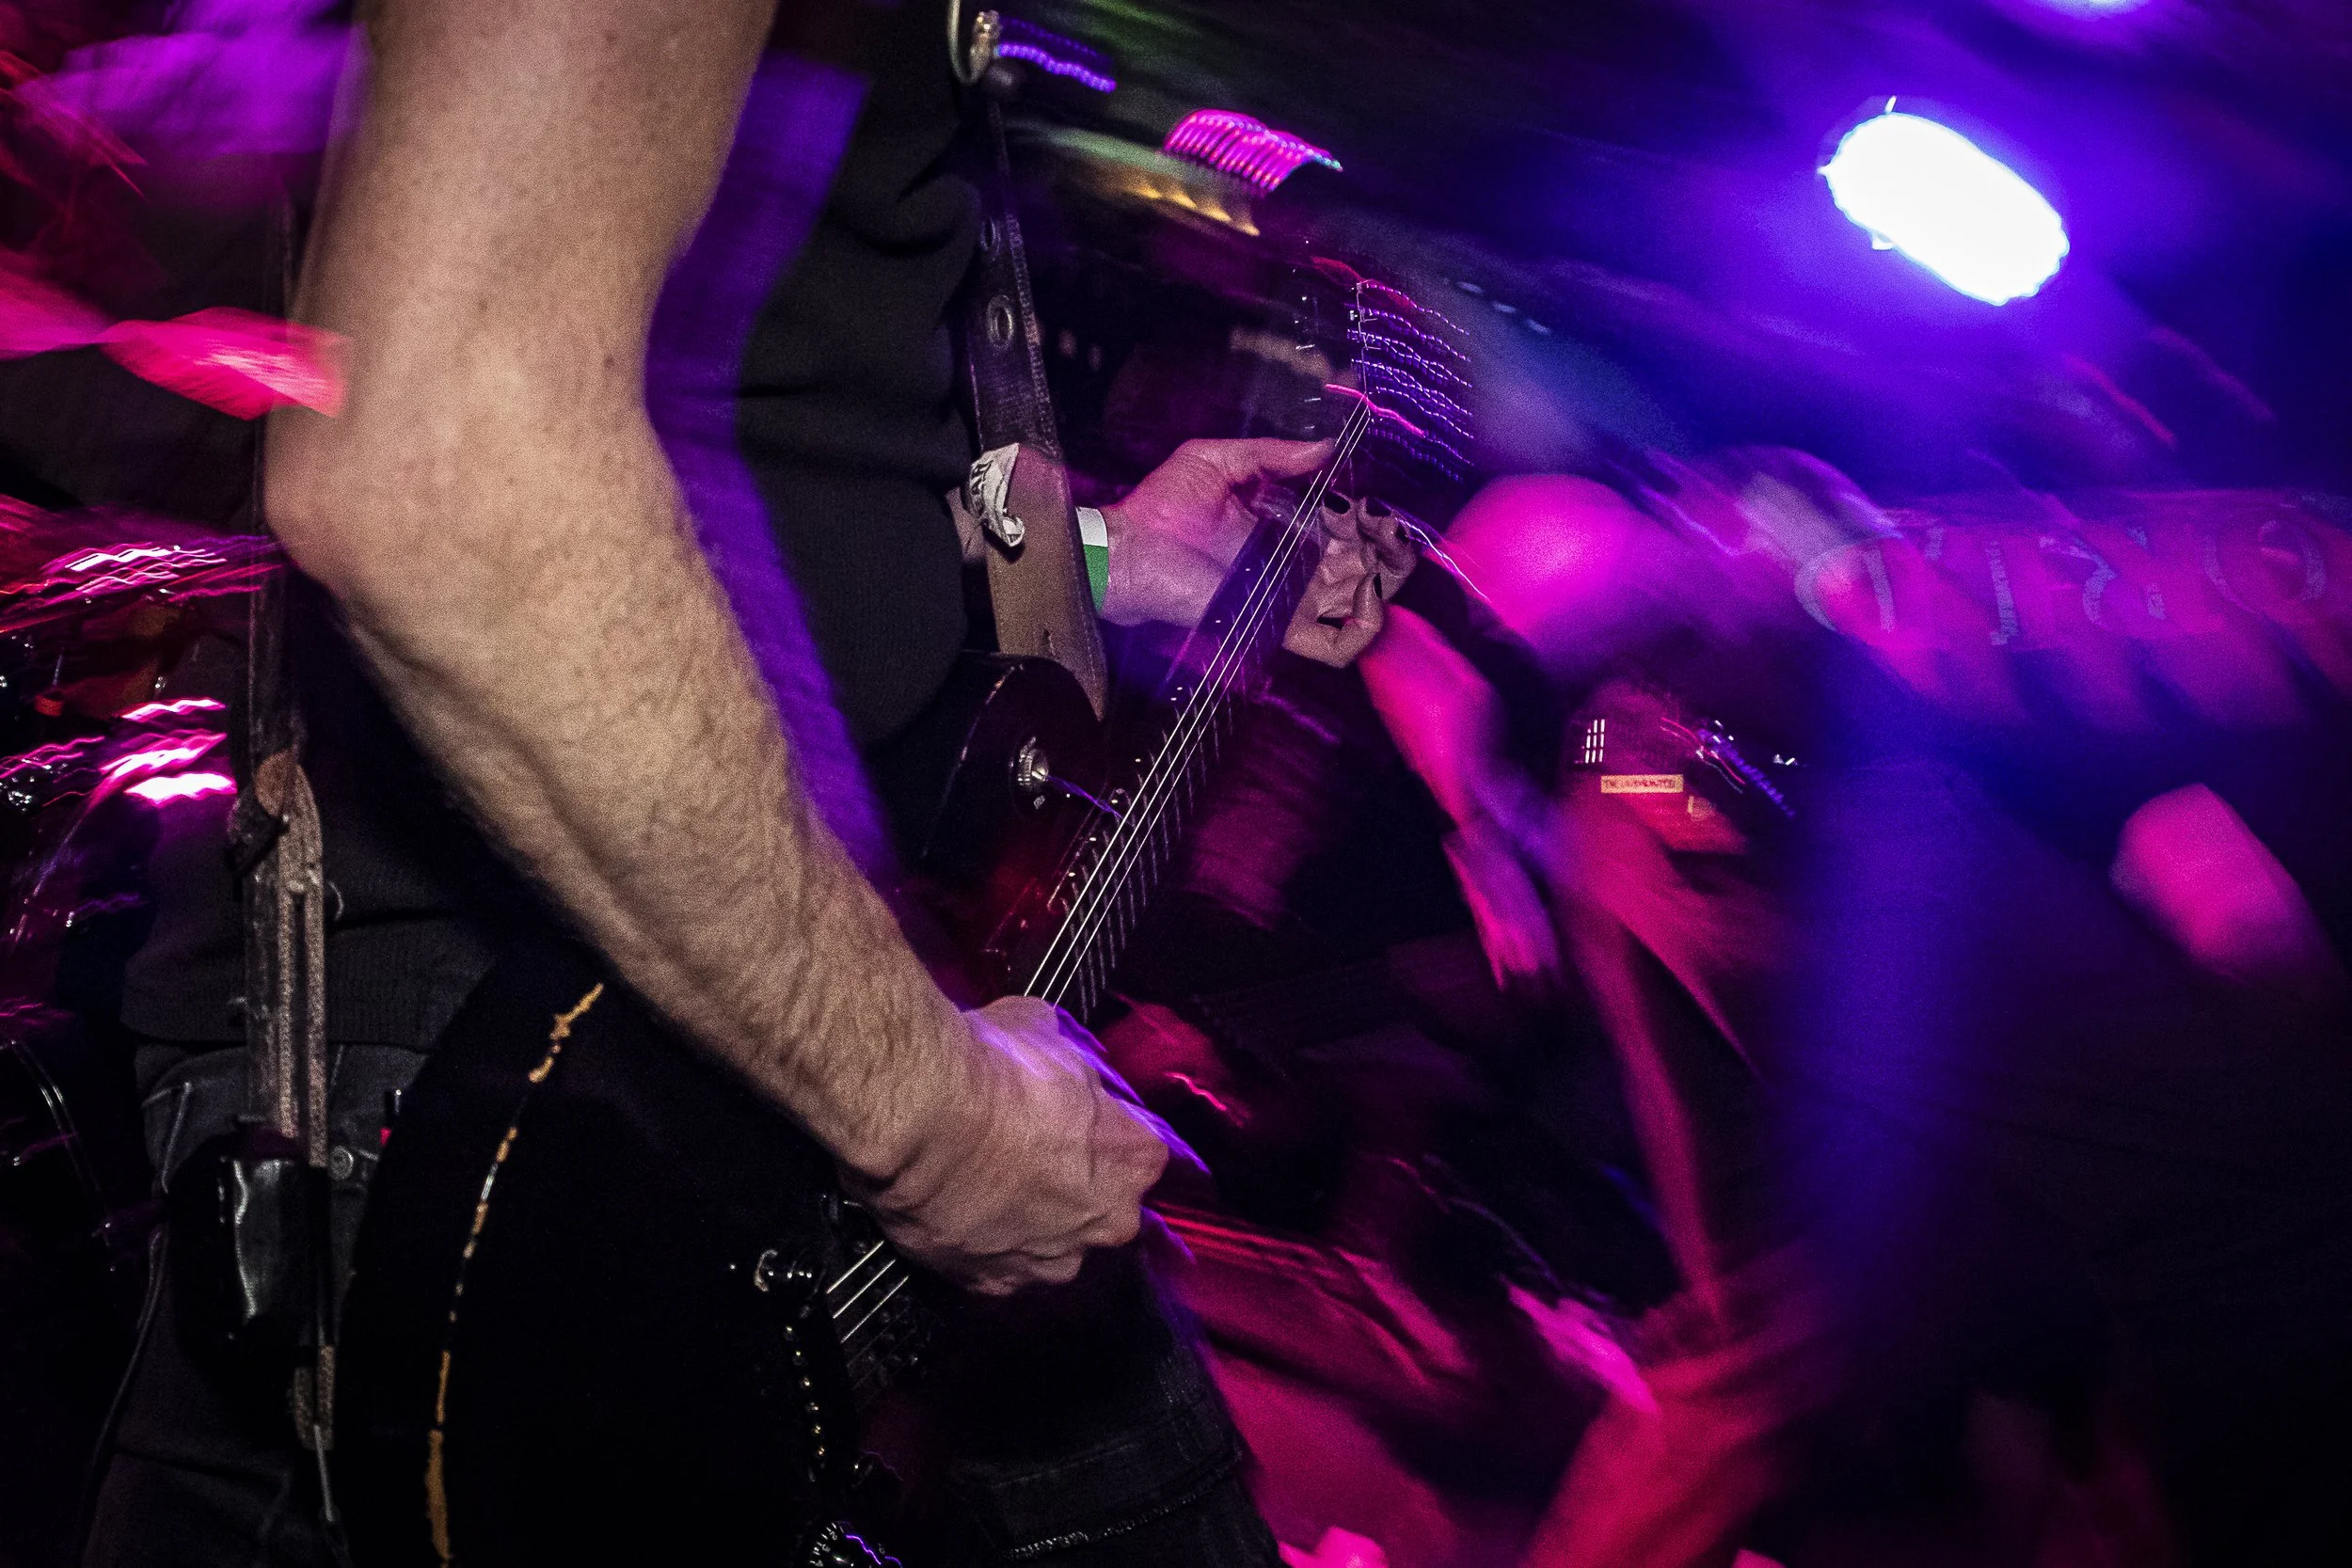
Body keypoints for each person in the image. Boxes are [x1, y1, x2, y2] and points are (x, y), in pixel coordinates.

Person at [75, 1, 1407, 1563]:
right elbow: (453, 467)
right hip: (534, 1052)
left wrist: (1105, 555)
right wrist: (938, 1128)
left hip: (795, 979)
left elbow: (761, 439)